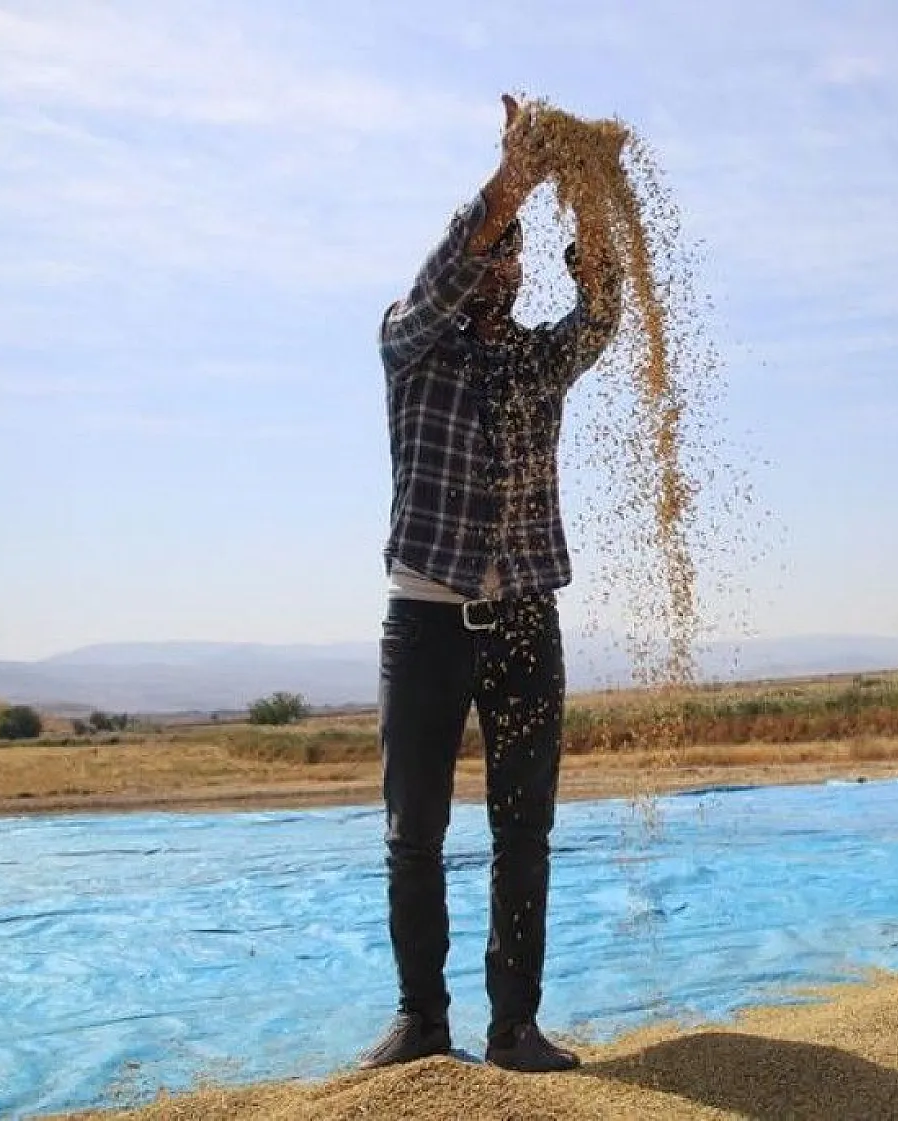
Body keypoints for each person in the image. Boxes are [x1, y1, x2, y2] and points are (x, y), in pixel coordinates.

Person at [358, 94, 623, 1073]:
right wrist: (513, 175)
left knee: (524, 827)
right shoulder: (409, 341)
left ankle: (514, 1026)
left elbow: (600, 312)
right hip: (426, 619)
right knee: (414, 831)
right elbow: (439, 276)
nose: (500, 265)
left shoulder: (537, 360)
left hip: (523, 619)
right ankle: (422, 1020)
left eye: (514, 251)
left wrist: (589, 198)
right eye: (491, 247)